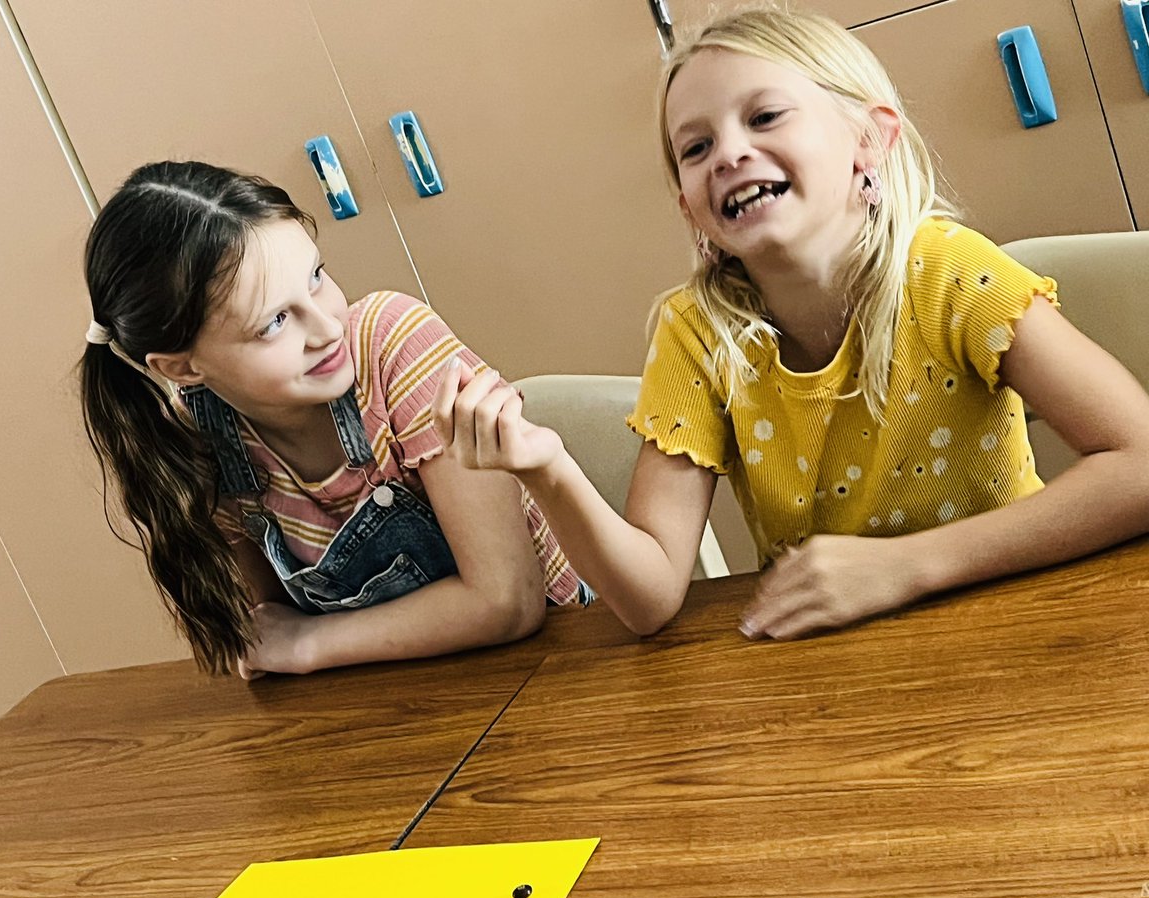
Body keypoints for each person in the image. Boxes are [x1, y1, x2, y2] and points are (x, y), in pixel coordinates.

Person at [432, 6, 1149, 641]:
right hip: (829, 669)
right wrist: (545, 467)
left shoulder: (953, 275)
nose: (730, 153)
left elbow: (1141, 464)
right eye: (695, 147)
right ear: (688, 206)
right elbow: (648, 600)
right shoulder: (695, 335)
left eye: (765, 116)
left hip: (1023, 627)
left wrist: (906, 567)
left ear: (869, 140)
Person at [80, 161, 587, 680]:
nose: (326, 327)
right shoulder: (204, 442)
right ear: (184, 367)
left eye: (317, 278)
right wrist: (285, 644)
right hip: (403, 696)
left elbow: (508, 602)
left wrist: (307, 645)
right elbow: (267, 627)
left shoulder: (395, 345)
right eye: (275, 322)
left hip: (562, 667)